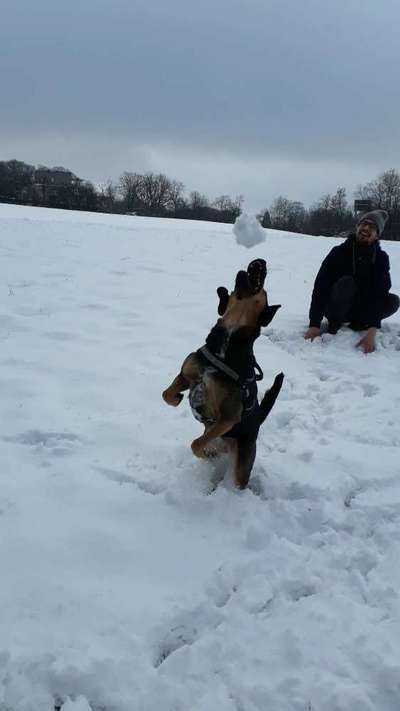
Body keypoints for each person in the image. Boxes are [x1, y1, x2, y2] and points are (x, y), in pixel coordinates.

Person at [304, 210, 399, 353]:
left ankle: (361, 323)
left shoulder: (381, 258)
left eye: (372, 227)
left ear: (377, 235)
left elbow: (380, 293)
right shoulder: (338, 252)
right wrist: (314, 325)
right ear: (357, 227)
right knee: (347, 283)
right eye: (364, 224)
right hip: (335, 307)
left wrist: (372, 330)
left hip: (361, 310)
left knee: (393, 300)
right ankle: (335, 324)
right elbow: (320, 287)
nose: (366, 228)